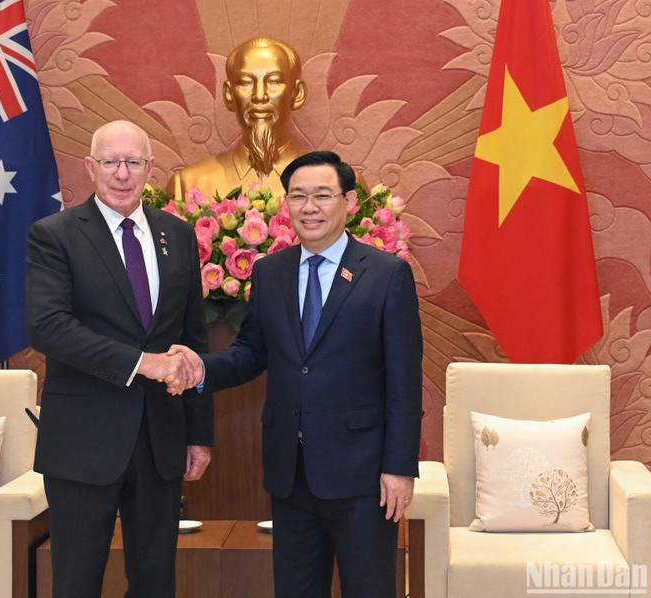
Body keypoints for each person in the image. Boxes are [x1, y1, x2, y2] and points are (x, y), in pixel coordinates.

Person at [171, 150, 422, 597]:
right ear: (286, 204)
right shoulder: (270, 272)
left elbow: (404, 380)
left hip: (364, 475)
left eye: (322, 195)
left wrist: (399, 468)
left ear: (348, 201)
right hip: (292, 471)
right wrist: (198, 369)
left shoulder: (386, 275)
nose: (310, 207)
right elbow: (251, 352)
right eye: (298, 196)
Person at [26, 120, 214, 598]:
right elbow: (50, 328)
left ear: (150, 168)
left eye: (133, 162)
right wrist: (143, 362)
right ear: (91, 167)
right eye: (111, 162)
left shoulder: (179, 235)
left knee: (155, 581)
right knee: (76, 581)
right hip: (82, 442)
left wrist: (199, 433)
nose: (122, 173)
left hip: (160, 438)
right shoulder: (55, 235)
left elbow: (194, 340)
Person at [167, 36, 308, 200]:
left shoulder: (334, 184)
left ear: (297, 94)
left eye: (274, 81)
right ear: (229, 94)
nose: (259, 96)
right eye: (246, 82)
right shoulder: (187, 184)